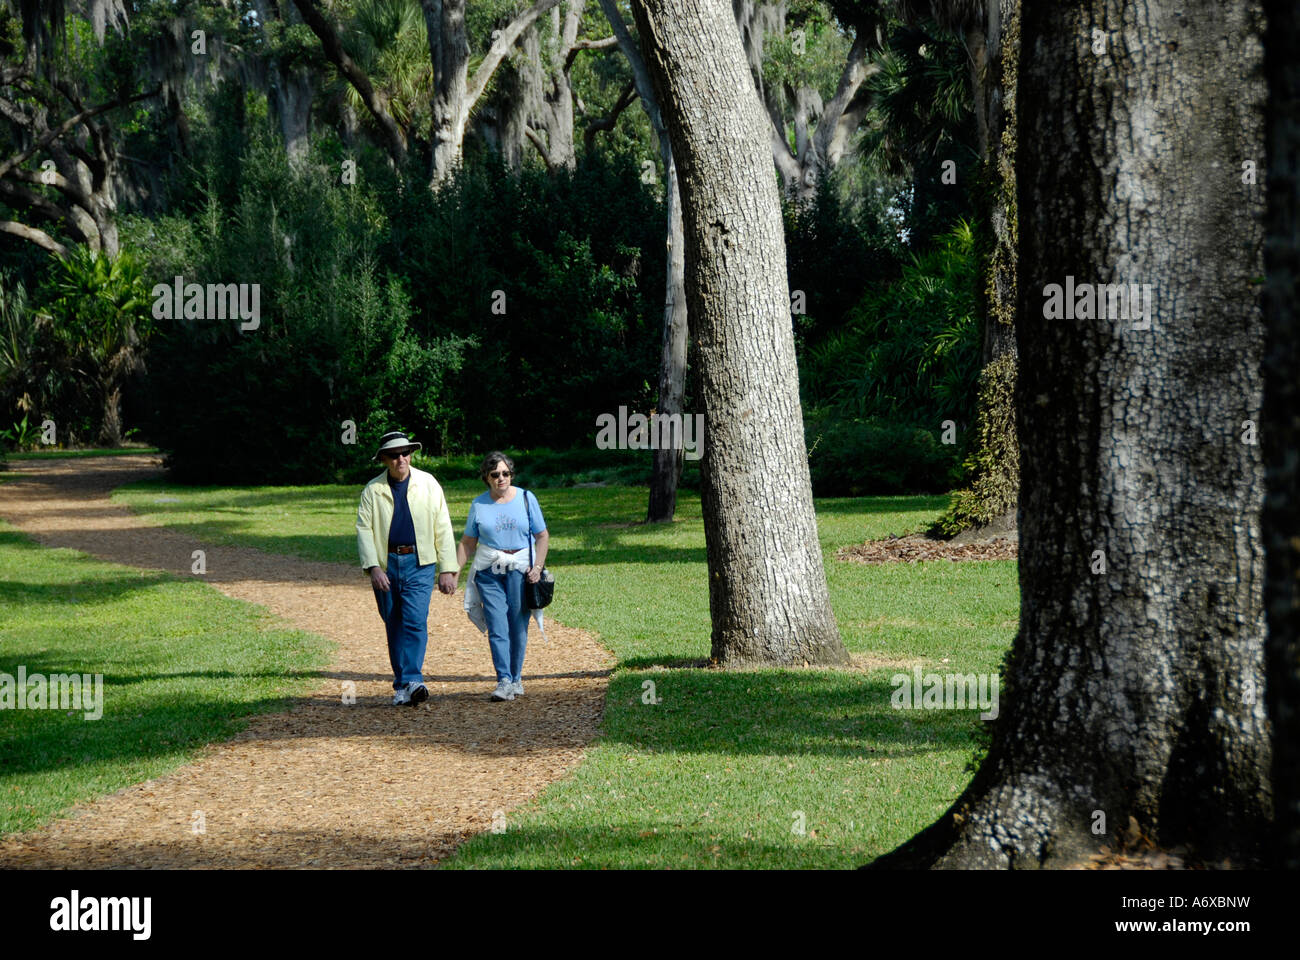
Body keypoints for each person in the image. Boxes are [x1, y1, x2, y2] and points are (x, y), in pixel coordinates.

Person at [356, 431, 457, 705]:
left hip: (420, 562)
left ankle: (413, 679)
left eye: (405, 453)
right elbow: (364, 531)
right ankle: (401, 685)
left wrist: (448, 568)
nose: (401, 459)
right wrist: (373, 567)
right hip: (387, 564)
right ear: (384, 460)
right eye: (394, 455)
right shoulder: (372, 490)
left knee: (414, 620)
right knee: (393, 621)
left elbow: (443, 526)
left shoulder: (428, 483)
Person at [457, 452, 549, 701]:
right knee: (497, 625)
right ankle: (504, 680)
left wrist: (537, 568)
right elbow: (468, 542)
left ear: (511, 474)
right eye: (495, 474)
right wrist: (453, 571)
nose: (501, 479)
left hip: (520, 570)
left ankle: (516, 678)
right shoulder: (479, 505)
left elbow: (542, 536)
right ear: (486, 477)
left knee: (518, 625)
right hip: (489, 571)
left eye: (505, 473)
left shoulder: (527, 499)